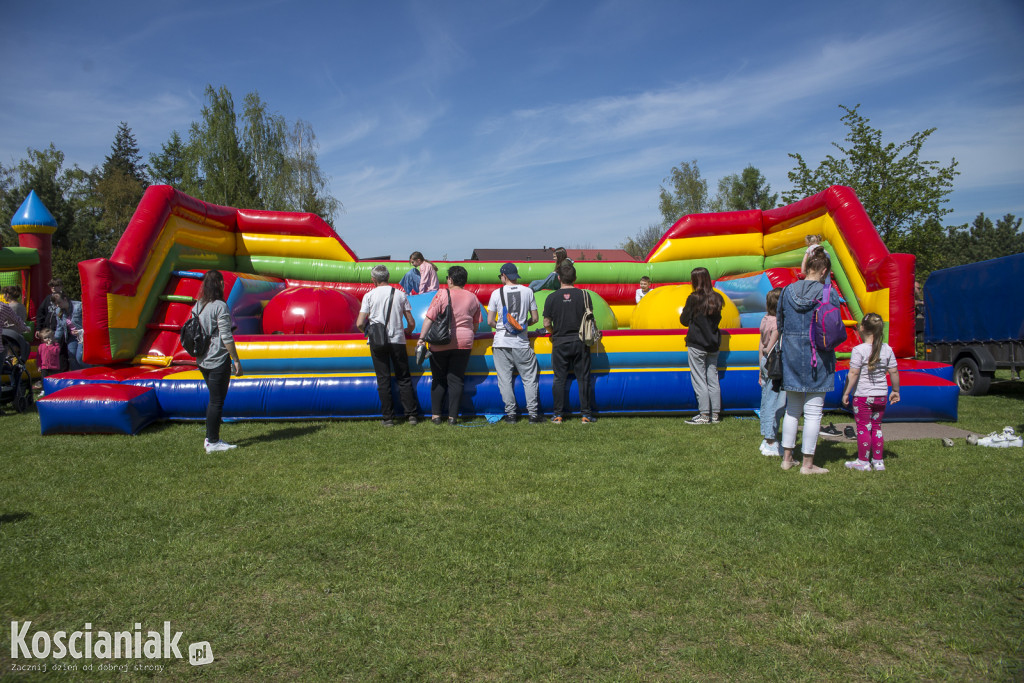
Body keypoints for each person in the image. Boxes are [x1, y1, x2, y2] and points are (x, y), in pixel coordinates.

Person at [778, 249, 841, 474]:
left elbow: (780, 324)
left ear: (807, 268)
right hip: (819, 356)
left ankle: (787, 459)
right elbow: (835, 326)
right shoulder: (828, 292)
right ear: (824, 271)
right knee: (814, 412)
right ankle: (807, 464)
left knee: (792, 409)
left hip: (792, 354)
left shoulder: (786, 291)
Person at [356, 265, 421, 427]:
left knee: (383, 379)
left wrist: (369, 331)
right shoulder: (400, 294)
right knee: (404, 377)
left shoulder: (369, 295)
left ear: (373, 280)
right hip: (397, 339)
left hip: (377, 342)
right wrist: (408, 330)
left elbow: (359, 323)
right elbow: (411, 322)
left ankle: (388, 418)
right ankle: (411, 415)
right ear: (388, 277)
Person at [417, 265, 481, 424]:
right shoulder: (473, 297)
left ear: (450, 279)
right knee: (456, 379)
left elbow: (430, 318)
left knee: (438, 379)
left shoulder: (442, 294)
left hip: (440, 343)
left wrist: (421, 338)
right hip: (464, 342)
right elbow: (476, 324)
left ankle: (436, 416)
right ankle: (453, 417)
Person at [842, 312, 900, 471]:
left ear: (862, 328)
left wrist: (846, 392)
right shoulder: (887, 349)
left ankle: (863, 461)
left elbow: (853, 373)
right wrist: (895, 390)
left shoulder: (859, 350)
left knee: (863, 427)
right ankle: (878, 461)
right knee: (877, 426)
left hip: (862, 396)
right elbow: (894, 371)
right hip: (881, 395)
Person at [192, 270, 243, 453]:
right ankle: (212, 441)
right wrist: (235, 360)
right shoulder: (220, 306)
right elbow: (226, 337)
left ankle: (211, 437)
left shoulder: (198, 305)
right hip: (217, 359)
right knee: (216, 401)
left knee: (214, 399)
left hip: (202, 359)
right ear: (219, 284)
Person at [486, 263, 541, 423]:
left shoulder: (496, 293)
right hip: (521, 343)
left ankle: (511, 414)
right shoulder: (528, 291)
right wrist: (522, 327)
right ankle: (533, 414)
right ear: (515, 276)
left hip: (501, 342)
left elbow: (490, 321)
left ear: (504, 276)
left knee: (504, 379)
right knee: (529, 379)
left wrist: (502, 326)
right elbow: (535, 318)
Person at [542, 262, 595, 424]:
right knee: (583, 378)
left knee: (559, 379)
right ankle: (586, 414)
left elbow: (546, 323)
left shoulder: (551, 297)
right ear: (575, 278)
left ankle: (558, 415)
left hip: (559, 342)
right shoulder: (584, 295)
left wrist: (553, 332)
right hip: (580, 342)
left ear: (559, 278)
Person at [680, 267, 724, 425]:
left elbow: (684, 320)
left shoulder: (693, 298)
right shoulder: (717, 298)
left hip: (697, 343)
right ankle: (715, 415)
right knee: (713, 379)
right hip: (713, 344)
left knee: (699, 379)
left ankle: (704, 415)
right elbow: (717, 321)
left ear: (695, 281)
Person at [758, 287, 785, 455]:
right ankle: (770, 440)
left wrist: (760, 369)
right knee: (774, 402)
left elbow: (761, 345)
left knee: (766, 398)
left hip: (764, 363)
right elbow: (770, 347)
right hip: (774, 363)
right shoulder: (777, 323)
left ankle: (766, 435)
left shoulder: (765, 319)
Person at [35, 278, 68, 371]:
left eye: (56, 285)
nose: (53, 288)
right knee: (46, 350)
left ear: (61, 286)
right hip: (48, 329)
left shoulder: (65, 298)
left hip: (59, 329)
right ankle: (47, 370)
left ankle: (62, 371)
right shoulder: (48, 299)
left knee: (60, 351)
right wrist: (38, 328)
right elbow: (40, 313)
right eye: (51, 286)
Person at [51, 292, 85, 370]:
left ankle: (90, 373)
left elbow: (89, 321)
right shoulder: (59, 311)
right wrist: (55, 340)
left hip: (83, 335)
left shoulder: (79, 306)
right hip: (72, 337)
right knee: (71, 356)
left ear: (65, 299)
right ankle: (76, 377)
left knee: (80, 357)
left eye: (59, 302)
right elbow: (60, 327)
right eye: (56, 304)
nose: (58, 305)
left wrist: (81, 331)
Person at [36, 327, 60, 392]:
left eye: (49, 337)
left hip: (54, 366)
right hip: (44, 366)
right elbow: (38, 357)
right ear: (42, 339)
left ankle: (55, 389)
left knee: (54, 379)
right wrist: (39, 365)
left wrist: (50, 346)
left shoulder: (56, 345)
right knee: (44, 378)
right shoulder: (41, 346)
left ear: (52, 337)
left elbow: (56, 352)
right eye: (45, 338)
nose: (48, 339)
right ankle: (43, 390)